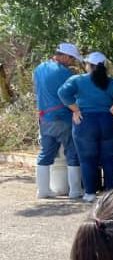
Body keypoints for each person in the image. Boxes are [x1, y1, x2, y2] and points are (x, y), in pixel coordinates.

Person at [59, 52, 113, 201]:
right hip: (108, 121)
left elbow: (62, 93)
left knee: (87, 159)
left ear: (88, 65)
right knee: (110, 159)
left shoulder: (77, 80)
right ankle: (110, 194)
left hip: (85, 122)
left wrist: (75, 109)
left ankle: (90, 193)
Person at [33, 42, 83, 199]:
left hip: (45, 117)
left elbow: (37, 91)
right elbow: (71, 95)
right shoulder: (65, 73)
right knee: (72, 153)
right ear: (65, 56)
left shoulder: (39, 68)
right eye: (72, 59)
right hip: (63, 117)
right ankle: (75, 191)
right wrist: (76, 110)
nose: (73, 62)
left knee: (45, 154)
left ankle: (43, 191)